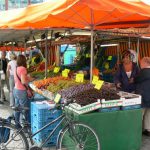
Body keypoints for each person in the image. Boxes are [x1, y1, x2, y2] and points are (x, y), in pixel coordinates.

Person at [13, 55, 33, 127]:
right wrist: (29, 79)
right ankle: (26, 125)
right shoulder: (23, 69)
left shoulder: (16, 68)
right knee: (25, 109)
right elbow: (23, 81)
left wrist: (28, 78)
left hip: (15, 90)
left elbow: (21, 78)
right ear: (23, 61)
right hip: (21, 91)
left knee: (17, 108)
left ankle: (17, 124)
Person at [135, 57, 150, 136]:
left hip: (144, 97)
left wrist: (133, 79)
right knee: (148, 114)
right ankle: (147, 130)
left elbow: (136, 80)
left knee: (140, 114)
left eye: (141, 63)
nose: (140, 64)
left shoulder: (144, 71)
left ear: (145, 63)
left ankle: (137, 130)